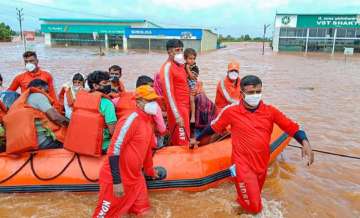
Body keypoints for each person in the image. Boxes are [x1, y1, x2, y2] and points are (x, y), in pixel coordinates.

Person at [195, 75, 314, 214]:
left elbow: (292, 126)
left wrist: (305, 142)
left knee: (248, 203)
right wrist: (197, 138)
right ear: (242, 94)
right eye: (251, 93)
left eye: (258, 92)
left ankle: (237, 211)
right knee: (255, 208)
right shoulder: (231, 111)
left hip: (261, 165)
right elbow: (212, 127)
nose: (255, 95)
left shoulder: (270, 111)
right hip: (242, 166)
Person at [93, 84, 163, 217]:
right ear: (138, 102)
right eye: (149, 101)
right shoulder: (130, 120)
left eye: (154, 100)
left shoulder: (148, 121)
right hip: (116, 179)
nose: (153, 104)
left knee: (145, 213)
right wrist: (117, 182)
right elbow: (114, 151)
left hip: (136, 178)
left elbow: (146, 150)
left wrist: (150, 171)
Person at [3, 79, 68, 153]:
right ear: (40, 88)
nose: (47, 95)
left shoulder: (19, 102)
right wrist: (71, 124)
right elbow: (55, 117)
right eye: (46, 91)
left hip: (25, 144)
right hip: (43, 143)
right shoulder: (38, 95)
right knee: (69, 142)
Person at [64, 71, 117, 155]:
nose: (108, 84)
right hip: (101, 146)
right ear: (95, 86)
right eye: (105, 83)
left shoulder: (81, 99)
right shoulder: (107, 103)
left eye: (108, 82)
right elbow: (113, 131)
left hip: (81, 144)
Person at [159, 39, 190, 146]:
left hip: (185, 107)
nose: (180, 52)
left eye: (182, 50)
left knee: (185, 137)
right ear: (169, 52)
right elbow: (169, 93)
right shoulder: (168, 67)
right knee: (181, 140)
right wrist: (177, 115)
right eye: (177, 50)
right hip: (178, 108)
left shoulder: (180, 65)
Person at [184, 48, 200, 126]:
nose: (192, 60)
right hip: (185, 85)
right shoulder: (182, 66)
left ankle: (193, 116)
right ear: (185, 59)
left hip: (192, 84)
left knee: (191, 99)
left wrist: (187, 69)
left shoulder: (195, 68)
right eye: (190, 59)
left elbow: (192, 77)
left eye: (193, 59)